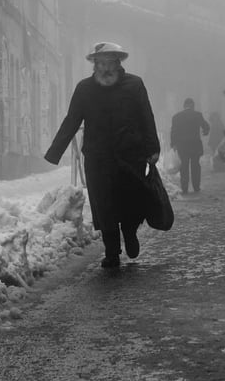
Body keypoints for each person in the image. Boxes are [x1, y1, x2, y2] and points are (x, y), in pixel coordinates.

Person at [44, 41, 161, 269]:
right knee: (104, 205)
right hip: (98, 158)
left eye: (110, 63)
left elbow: (146, 116)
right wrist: (55, 151)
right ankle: (111, 252)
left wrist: (153, 148)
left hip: (131, 157)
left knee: (131, 201)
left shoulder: (134, 85)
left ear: (118, 64)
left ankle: (129, 232)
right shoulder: (84, 89)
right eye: (101, 63)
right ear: (94, 65)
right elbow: (72, 119)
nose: (106, 68)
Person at [169, 98, 210, 194]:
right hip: (195, 145)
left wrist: (173, 144)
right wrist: (205, 131)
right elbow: (206, 126)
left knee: (184, 166)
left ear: (184, 106)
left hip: (182, 146)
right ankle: (196, 186)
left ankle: (184, 187)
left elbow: (173, 132)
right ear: (193, 105)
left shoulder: (176, 117)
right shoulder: (198, 115)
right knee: (195, 165)